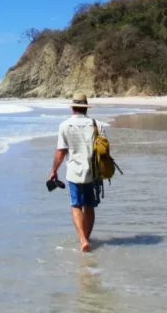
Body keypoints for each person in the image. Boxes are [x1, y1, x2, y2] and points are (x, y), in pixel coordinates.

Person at [49, 93, 101, 252]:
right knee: (89, 206)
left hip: (74, 172)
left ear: (73, 108)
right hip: (92, 172)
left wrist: (53, 171)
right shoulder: (96, 125)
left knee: (76, 205)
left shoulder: (64, 125)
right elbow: (103, 150)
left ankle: (83, 239)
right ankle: (87, 236)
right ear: (86, 108)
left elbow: (61, 152)